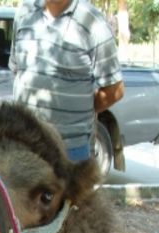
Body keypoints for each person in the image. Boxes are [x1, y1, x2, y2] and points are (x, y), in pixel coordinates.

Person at [9, 0, 124, 165]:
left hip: (72, 153)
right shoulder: (24, 13)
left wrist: (79, 110)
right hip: (23, 147)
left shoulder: (93, 23)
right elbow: (16, 69)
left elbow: (116, 90)